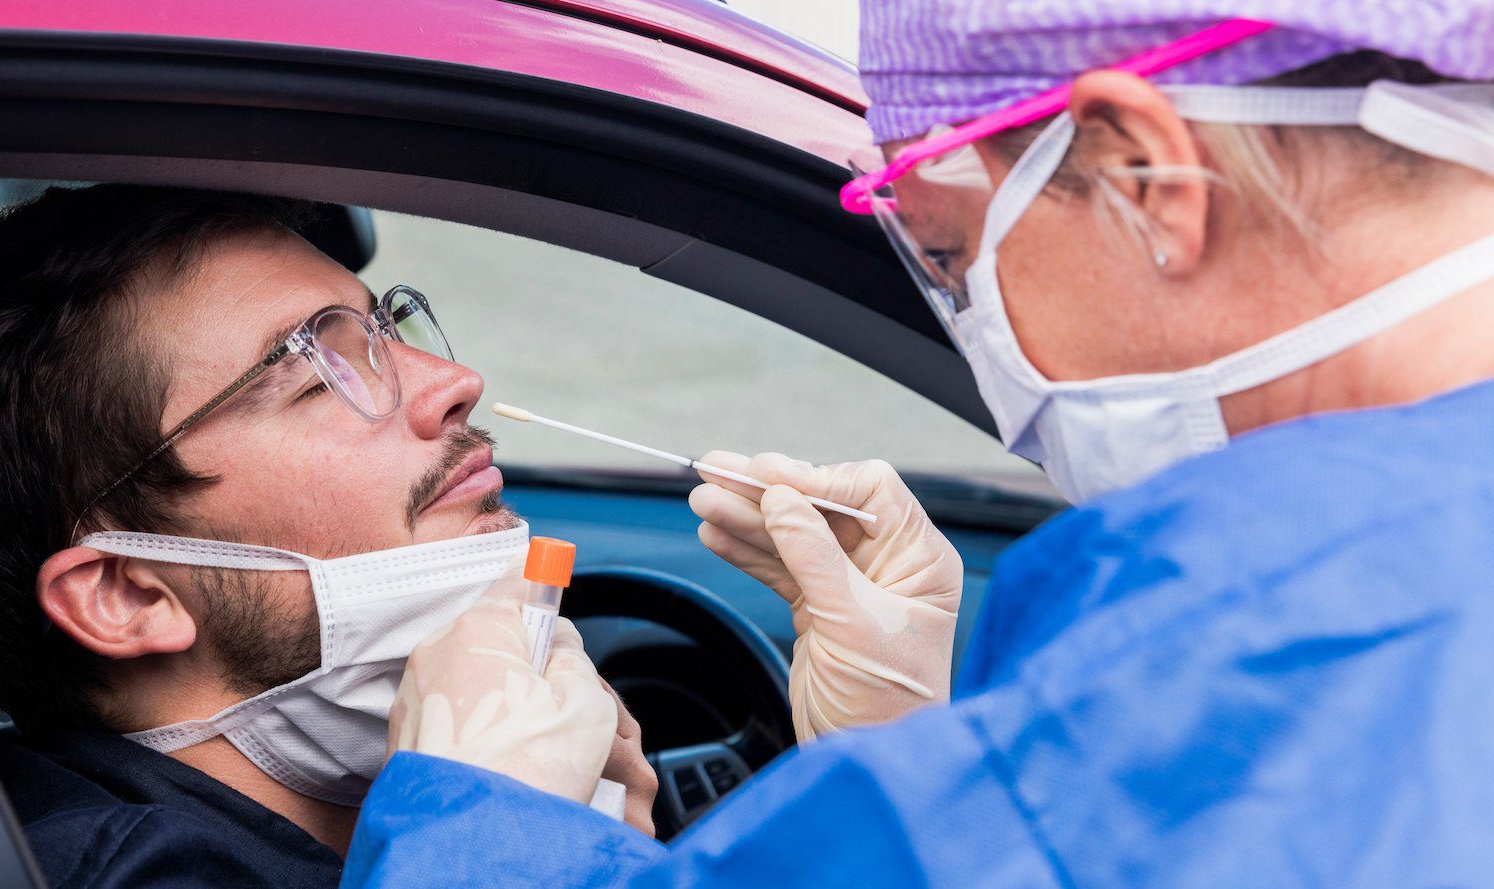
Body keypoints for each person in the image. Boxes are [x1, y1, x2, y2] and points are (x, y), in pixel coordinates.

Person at [343, 0, 1494, 884]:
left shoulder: (1250, 626)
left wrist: (480, 825)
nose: (970, 325)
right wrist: (931, 751)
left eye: (943, 259)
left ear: (1147, 178)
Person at [0, 185, 655, 888]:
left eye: (385, 330)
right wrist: (494, 842)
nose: (454, 383)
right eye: (317, 374)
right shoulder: (103, 868)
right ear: (126, 593)